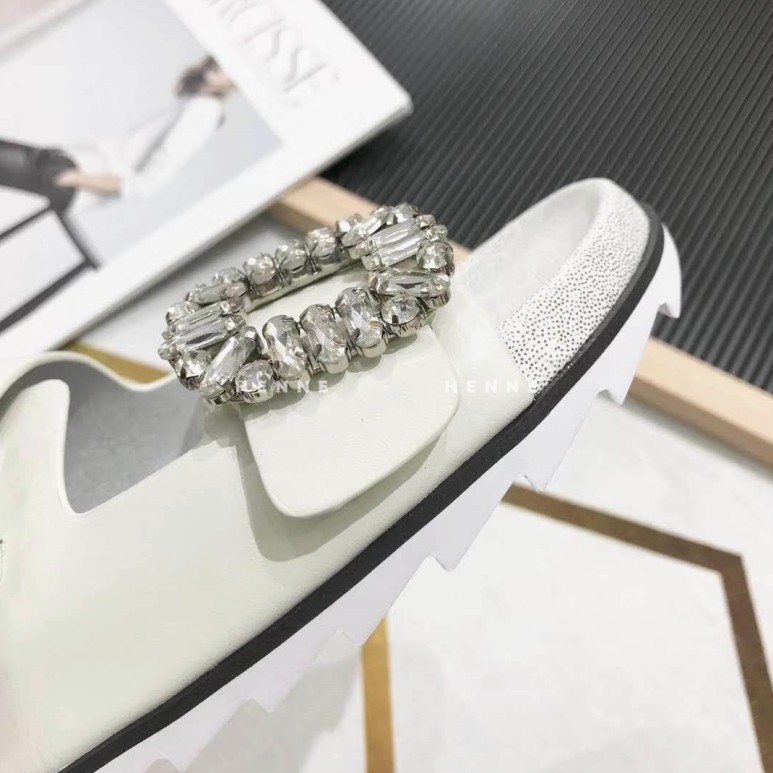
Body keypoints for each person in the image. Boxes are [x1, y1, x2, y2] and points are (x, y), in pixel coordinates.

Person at [0, 55, 235, 215]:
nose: (214, 67)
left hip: (76, 177)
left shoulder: (204, 112)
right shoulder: (196, 104)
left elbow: (147, 184)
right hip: (70, 162)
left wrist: (79, 179)